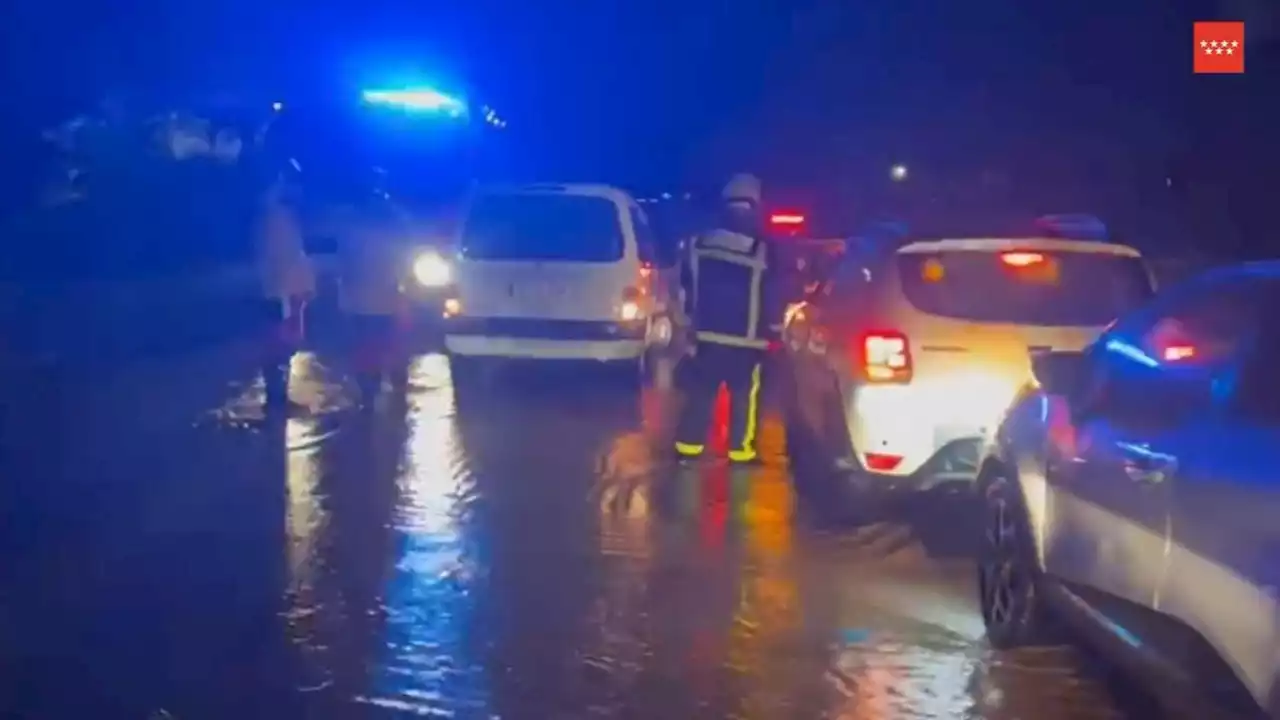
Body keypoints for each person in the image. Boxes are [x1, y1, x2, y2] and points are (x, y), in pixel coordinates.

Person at [673, 173, 778, 465]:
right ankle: (740, 452)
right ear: (755, 207)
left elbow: (683, 287)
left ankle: (688, 450)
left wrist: (686, 328)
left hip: (704, 336)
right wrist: (774, 334)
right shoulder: (763, 249)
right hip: (746, 342)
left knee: (701, 394)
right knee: (744, 398)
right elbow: (773, 295)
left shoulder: (697, 244)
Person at [333, 186, 414, 409]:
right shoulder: (395, 225)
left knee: (367, 348)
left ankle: (371, 390)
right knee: (390, 344)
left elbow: (344, 263)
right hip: (386, 299)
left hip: (363, 301)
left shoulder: (352, 228)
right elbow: (404, 261)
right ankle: (394, 387)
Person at [253, 175, 315, 411]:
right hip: (281, 294)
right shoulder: (275, 217)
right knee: (279, 346)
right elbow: (283, 259)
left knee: (282, 346)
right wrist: (293, 292)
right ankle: (276, 398)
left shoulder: (279, 216)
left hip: (284, 292)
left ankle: (278, 397)